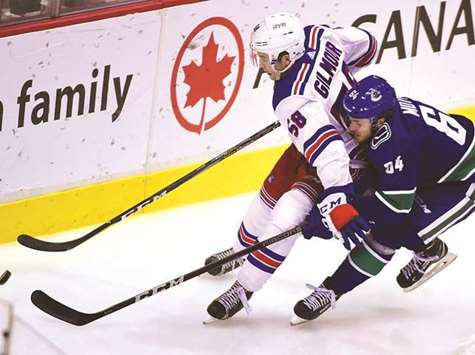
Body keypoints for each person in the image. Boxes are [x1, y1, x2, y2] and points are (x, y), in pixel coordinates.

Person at [203, 12, 379, 321]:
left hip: (343, 160)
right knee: (265, 201)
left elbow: (330, 152)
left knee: (286, 215)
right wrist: (331, 91)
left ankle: (243, 288)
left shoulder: (291, 98)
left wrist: (339, 196)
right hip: (311, 142)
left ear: (285, 57)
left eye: (264, 59)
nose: (260, 66)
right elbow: (368, 45)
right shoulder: (316, 36)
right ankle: (238, 252)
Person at [294, 75, 474, 324]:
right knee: (376, 197)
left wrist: (336, 216)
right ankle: (427, 246)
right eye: (349, 119)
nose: (350, 127)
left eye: (357, 122)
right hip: (438, 165)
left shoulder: (395, 141)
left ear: (379, 121)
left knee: (391, 232)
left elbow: (394, 209)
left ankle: (332, 289)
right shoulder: (388, 121)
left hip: (465, 183)